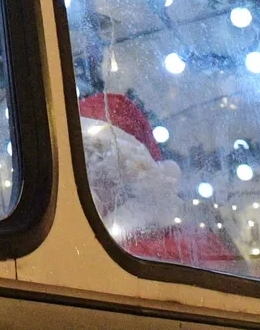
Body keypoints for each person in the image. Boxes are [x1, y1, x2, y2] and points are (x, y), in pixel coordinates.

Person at [78, 92, 239, 269]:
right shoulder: (194, 244)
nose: (96, 183)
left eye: (101, 165)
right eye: (88, 166)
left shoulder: (173, 249)